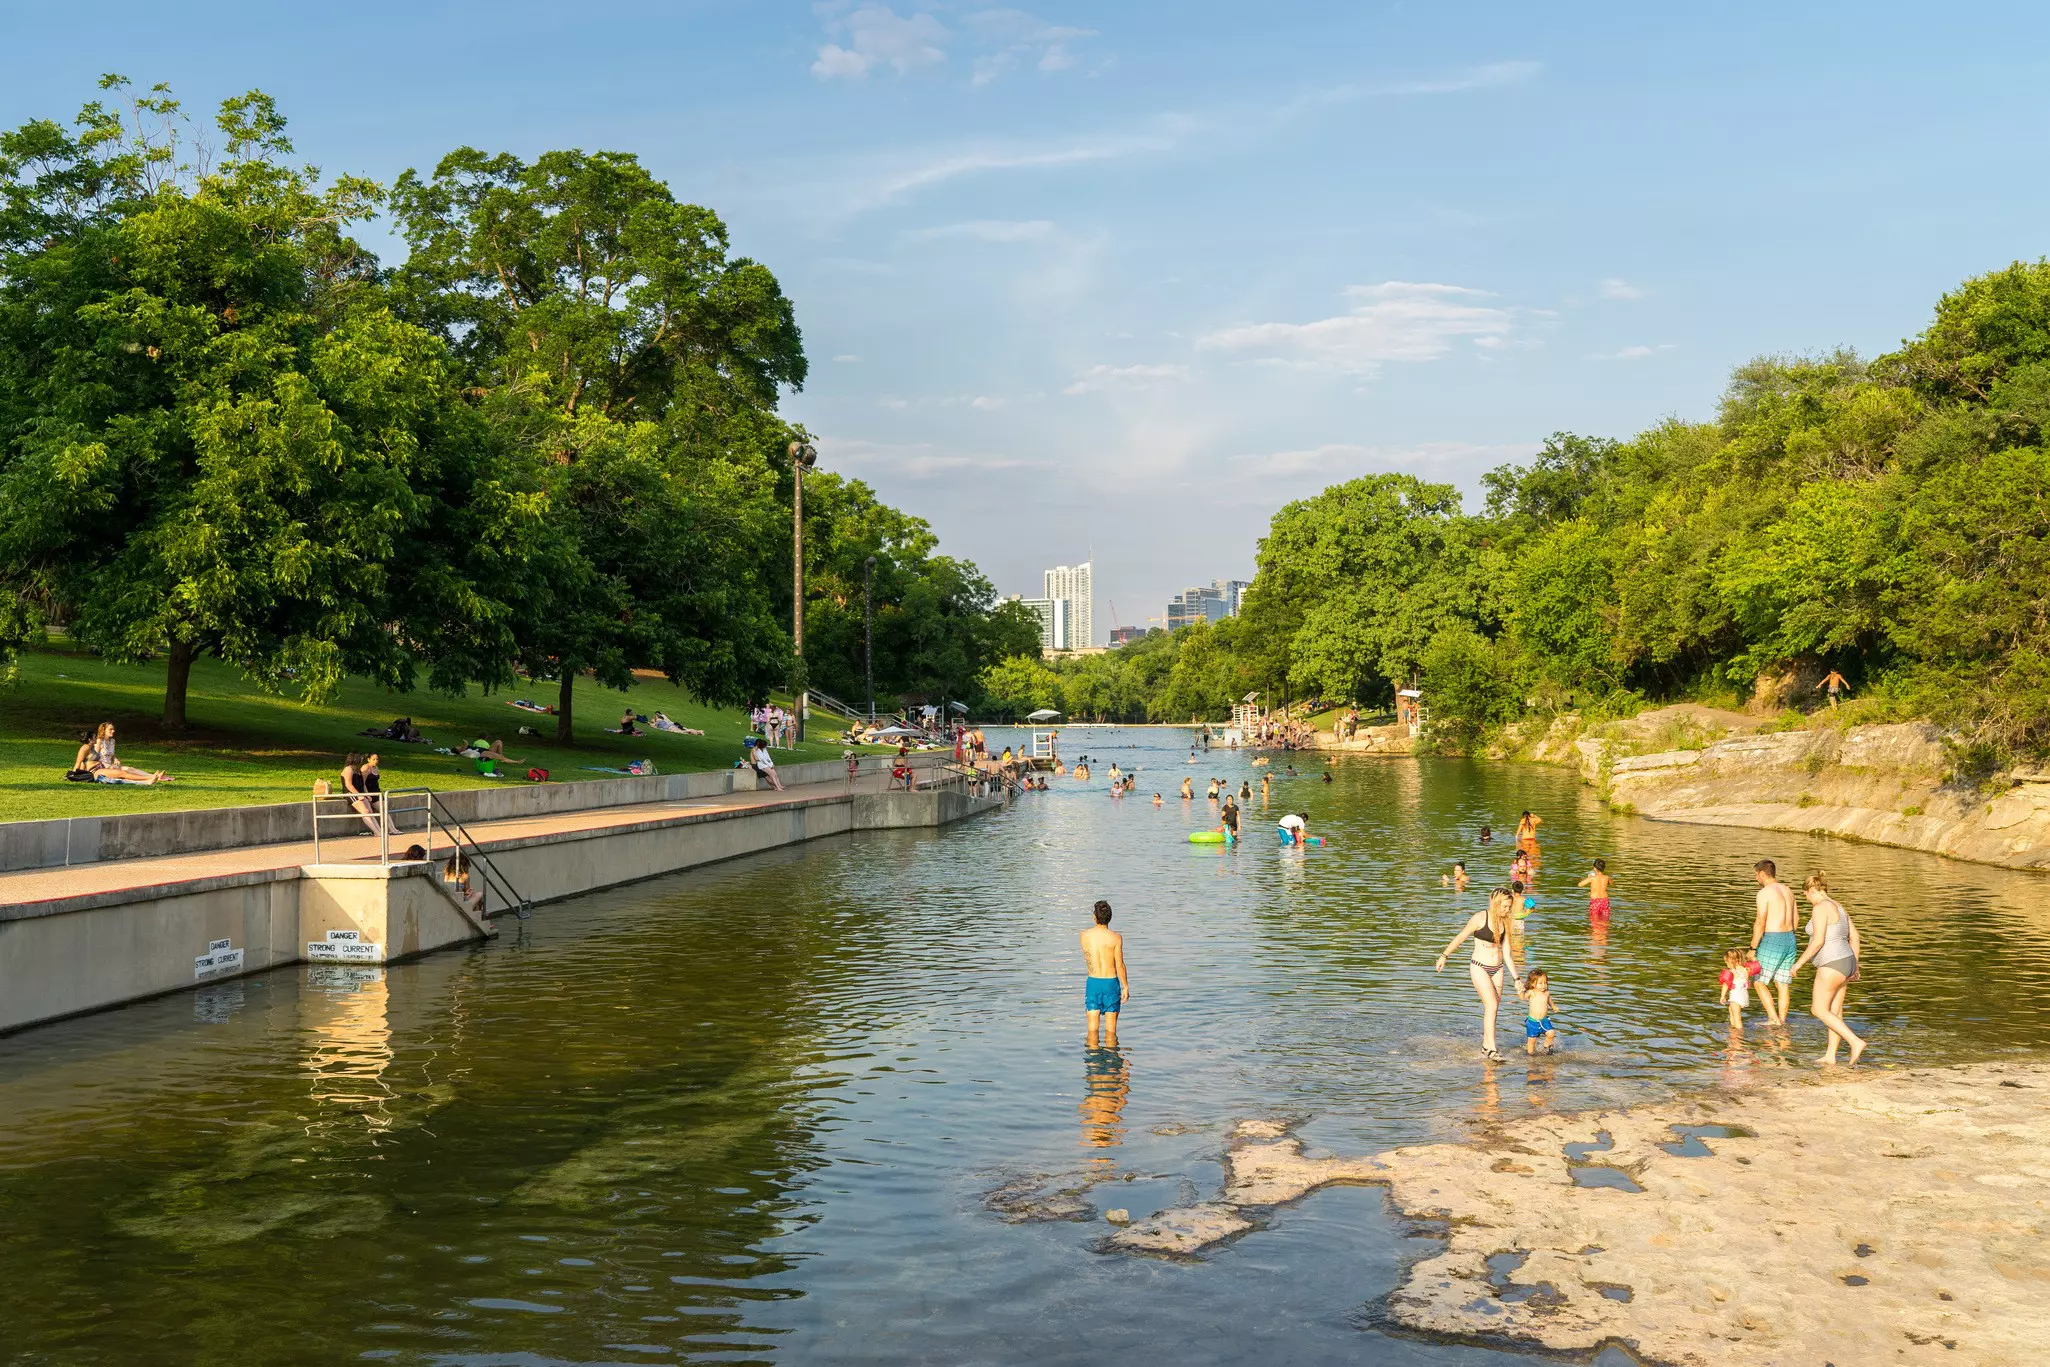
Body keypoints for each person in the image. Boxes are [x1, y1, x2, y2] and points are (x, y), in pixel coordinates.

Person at [1435, 887, 1524, 1060]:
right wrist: (1444, 955)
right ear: (1495, 903)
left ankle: (1486, 1045)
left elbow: (1507, 953)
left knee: (1494, 1008)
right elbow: (1460, 937)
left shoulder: (1505, 922)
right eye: (1505, 907)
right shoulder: (1479, 918)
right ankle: (1492, 1049)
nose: (1507, 910)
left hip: (1497, 969)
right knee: (1491, 1005)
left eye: (1509, 907)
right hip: (1479, 967)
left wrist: (1516, 979)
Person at [1791, 872, 1867, 1064]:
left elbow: (1817, 942)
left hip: (1831, 963)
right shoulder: (1840, 907)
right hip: (1847, 961)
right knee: (1834, 1011)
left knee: (1818, 1009)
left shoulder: (1820, 908)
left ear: (1810, 890)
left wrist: (1798, 963)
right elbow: (1855, 938)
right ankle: (1831, 1056)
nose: (1806, 899)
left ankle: (1855, 1042)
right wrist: (1855, 965)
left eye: (1805, 895)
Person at [1749, 859, 1801, 1026]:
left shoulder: (1765, 893)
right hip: (1790, 938)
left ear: (1762, 874)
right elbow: (1796, 921)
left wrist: (1753, 948)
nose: (1757, 879)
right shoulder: (1788, 891)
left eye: (1756, 875)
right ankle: (1783, 1020)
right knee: (1782, 982)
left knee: (1758, 980)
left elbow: (1760, 922)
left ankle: (1773, 1019)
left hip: (1773, 938)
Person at [1081, 899, 1131, 1048]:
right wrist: (1125, 986)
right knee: (1111, 1032)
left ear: (1095, 917)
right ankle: (1112, 1063)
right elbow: (1119, 964)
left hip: (1093, 983)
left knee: (1092, 1032)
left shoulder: (1084, 936)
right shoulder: (1116, 938)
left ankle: (1094, 1068)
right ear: (1110, 917)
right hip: (1111, 983)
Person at [72, 722, 172, 784]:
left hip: (103, 767)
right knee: (124, 772)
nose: (113, 731)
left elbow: (95, 758)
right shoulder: (90, 746)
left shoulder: (107, 743)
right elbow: (83, 761)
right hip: (100, 769)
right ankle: (151, 778)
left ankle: (151, 777)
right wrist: (74, 774)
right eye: (111, 729)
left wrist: (115, 759)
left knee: (127, 770)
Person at [341, 752, 382, 834]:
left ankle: (380, 831)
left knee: (370, 811)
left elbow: (362, 784)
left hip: (359, 793)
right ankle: (376, 832)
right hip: (351, 794)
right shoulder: (348, 769)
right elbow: (348, 785)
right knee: (365, 811)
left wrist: (367, 795)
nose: (361, 760)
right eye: (360, 759)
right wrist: (358, 795)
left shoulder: (357, 769)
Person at [1719, 948, 1760, 1032]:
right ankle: (1733, 1027)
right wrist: (1753, 958)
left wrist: (1722, 996)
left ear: (1733, 960)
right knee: (1731, 1010)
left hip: (1736, 997)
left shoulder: (1732, 971)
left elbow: (1726, 984)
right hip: (1744, 996)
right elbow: (1757, 965)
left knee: (1736, 1016)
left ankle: (1738, 1033)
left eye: (1727, 961)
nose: (1726, 963)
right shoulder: (1746, 970)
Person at [1521, 968, 1557, 1055]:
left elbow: (1549, 1001)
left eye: (1545, 983)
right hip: (1533, 1022)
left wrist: (1554, 1007)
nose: (1544, 985)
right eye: (1540, 983)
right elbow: (1523, 997)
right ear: (1533, 984)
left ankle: (1546, 1048)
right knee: (1532, 1041)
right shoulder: (1532, 992)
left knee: (1551, 1033)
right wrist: (1520, 991)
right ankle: (1530, 1055)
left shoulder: (1547, 993)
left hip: (1544, 1020)